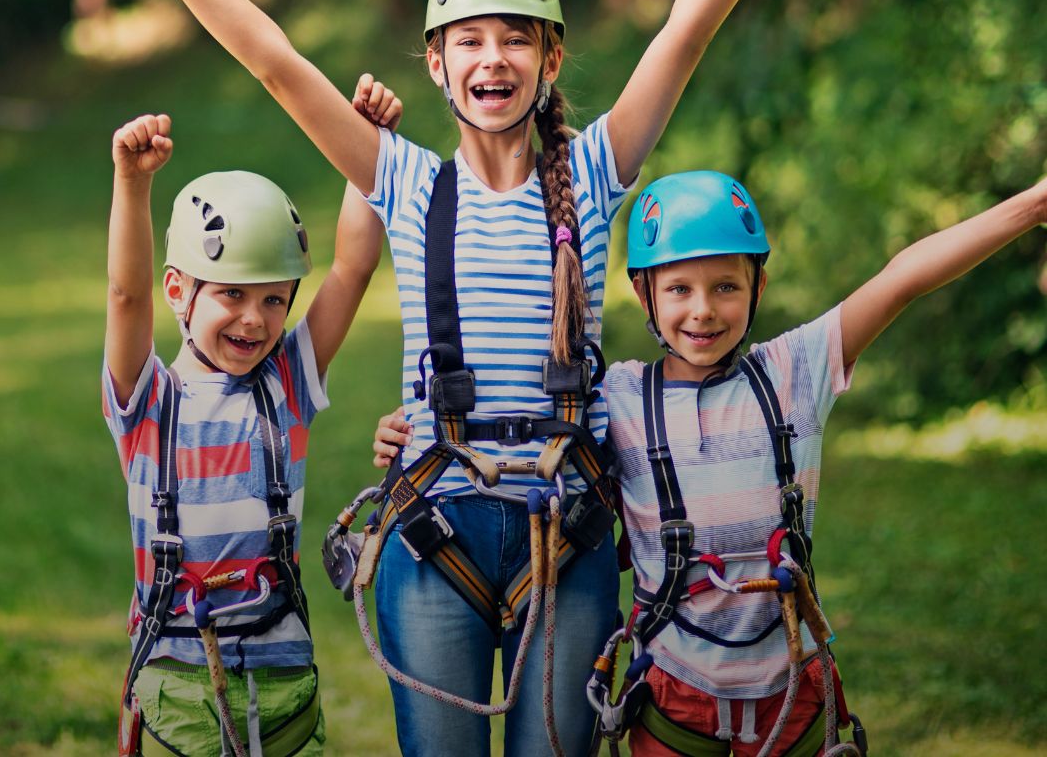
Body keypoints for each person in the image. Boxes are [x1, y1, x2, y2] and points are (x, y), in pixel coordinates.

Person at [100, 0, 812, 757]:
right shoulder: (403, 180)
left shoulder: (595, 171)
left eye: (516, 40)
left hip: (569, 530)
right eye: (468, 41)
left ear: (550, 60)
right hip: (435, 532)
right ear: (437, 64)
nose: (493, 60)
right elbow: (275, 63)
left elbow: (685, 32)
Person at [379, 166, 1047, 756]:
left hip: (792, 690)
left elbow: (901, 280)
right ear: (645, 298)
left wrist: (1034, 205)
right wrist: (409, 431)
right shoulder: (616, 400)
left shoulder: (795, 372)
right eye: (680, 290)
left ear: (758, 286)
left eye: (726, 286)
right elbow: (513, 414)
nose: (703, 311)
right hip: (673, 702)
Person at [105, 92, 399, 757]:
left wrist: (366, 152)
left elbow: (353, 266)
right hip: (177, 687)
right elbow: (126, 296)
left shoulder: (286, 385)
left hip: (284, 682)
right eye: (231, 294)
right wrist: (132, 182)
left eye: (274, 299)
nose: (255, 320)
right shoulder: (148, 398)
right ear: (179, 292)